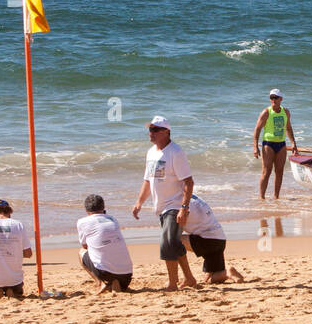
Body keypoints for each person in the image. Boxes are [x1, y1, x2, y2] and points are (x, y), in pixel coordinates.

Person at [131, 115, 199, 290]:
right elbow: (148, 180)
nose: (150, 134)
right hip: (160, 207)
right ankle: (190, 278)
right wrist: (139, 202)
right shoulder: (151, 152)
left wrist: (184, 208)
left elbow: (189, 182)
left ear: (166, 132)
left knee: (166, 243)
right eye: (150, 130)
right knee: (174, 242)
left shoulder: (176, 152)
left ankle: (172, 283)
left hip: (174, 205)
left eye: (154, 130)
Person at [181, 192, 245, 284]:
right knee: (209, 280)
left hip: (208, 241)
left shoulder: (179, 201)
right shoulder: (193, 196)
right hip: (219, 238)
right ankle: (227, 273)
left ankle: (176, 279)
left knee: (173, 241)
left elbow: (174, 232)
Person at [76, 194, 133, 293]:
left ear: (86, 210)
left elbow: (85, 246)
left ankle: (101, 283)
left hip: (105, 273)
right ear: (103, 207)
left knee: (81, 252)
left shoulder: (82, 222)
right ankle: (115, 282)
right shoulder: (112, 219)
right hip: (127, 275)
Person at [254, 89, 298, 199]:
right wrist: (255, 147)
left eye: (275, 97)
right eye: (271, 97)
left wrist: (293, 143)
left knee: (279, 172)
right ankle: (262, 198)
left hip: (281, 144)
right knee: (267, 171)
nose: (273, 100)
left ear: (281, 99)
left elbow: (288, 128)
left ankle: (276, 197)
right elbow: (257, 130)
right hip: (268, 144)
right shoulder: (266, 112)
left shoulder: (286, 112)